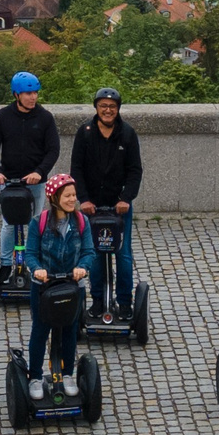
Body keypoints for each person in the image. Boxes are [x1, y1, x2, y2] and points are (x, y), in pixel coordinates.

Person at [69, 86, 143, 322]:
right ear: (96, 108)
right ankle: (98, 300)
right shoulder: (85, 133)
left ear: (118, 109)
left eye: (112, 107)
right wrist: (84, 199)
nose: (108, 110)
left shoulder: (128, 134)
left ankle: (124, 303)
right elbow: (76, 170)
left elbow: (135, 171)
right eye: (103, 106)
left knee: (123, 255)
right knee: (95, 254)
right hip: (93, 207)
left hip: (118, 207)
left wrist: (125, 199)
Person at [22, 173, 91, 400]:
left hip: (72, 286)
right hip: (43, 287)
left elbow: (89, 252)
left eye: (74, 195)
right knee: (40, 331)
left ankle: (67, 374)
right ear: (54, 197)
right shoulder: (38, 222)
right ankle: (34, 377)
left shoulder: (81, 222)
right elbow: (30, 253)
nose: (73, 199)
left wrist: (82, 267)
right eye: (68, 195)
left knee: (70, 331)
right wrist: (37, 269)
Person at [0, 70, 59, 266]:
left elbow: (53, 150)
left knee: (35, 223)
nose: (33, 97)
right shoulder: (3, 116)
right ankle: (6, 264)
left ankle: (34, 263)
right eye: (28, 94)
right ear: (17, 95)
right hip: (9, 181)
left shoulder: (45, 118)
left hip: (35, 182)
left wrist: (39, 172)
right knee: (9, 225)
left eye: (35, 93)